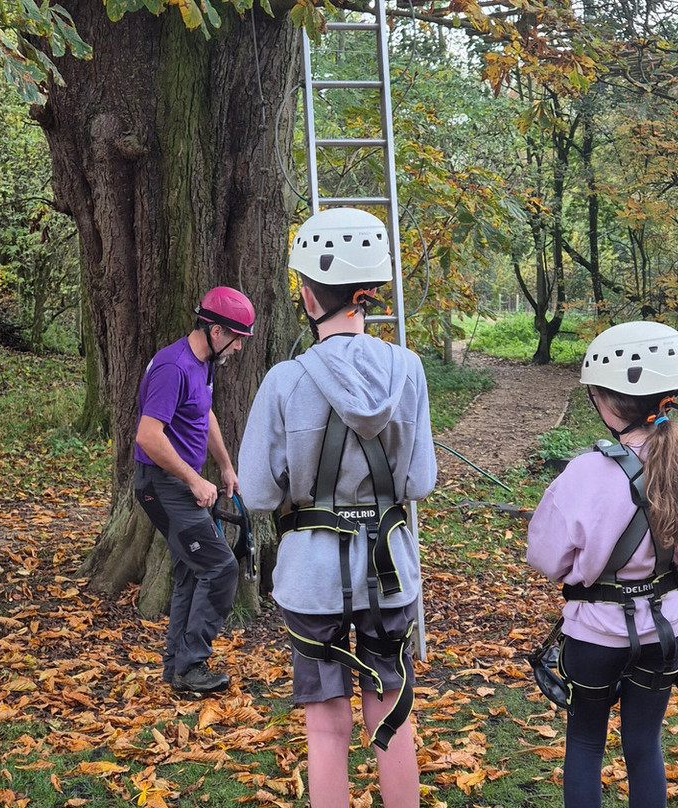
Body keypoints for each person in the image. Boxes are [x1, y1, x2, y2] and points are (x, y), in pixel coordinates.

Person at [238, 207, 437, 808]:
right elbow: (420, 481)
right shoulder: (408, 370)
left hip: (312, 578)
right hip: (390, 573)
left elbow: (259, 493)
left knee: (326, 727)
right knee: (392, 714)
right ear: (369, 293)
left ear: (305, 292)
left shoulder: (283, 381)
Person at [527, 321, 678, 808]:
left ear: (607, 402)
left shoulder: (585, 472)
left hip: (594, 635)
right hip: (664, 632)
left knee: (587, 742)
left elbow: (546, 557)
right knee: (643, 746)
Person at [133, 286, 255, 694]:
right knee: (222, 569)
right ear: (216, 331)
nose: (240, 348)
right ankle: (192, 665)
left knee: (192, 569)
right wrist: (193, 478)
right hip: (161, 486)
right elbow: (148, 437)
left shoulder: (203, 364)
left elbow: (204, 412)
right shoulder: (174, 367)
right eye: (238, 339)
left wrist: (223, 465)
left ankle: (176, 668)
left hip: (180, 483)